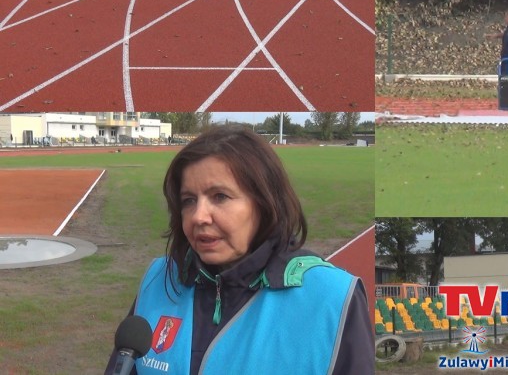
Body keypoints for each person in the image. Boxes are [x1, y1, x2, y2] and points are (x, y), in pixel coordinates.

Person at [105, 127, 374, 375]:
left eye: (220, 196)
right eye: (189, 200)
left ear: (265, 203)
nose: (199, 216)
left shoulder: (333, 297)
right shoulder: (157, 279)